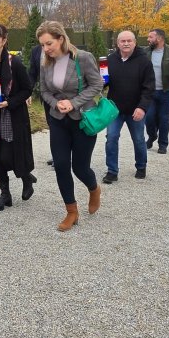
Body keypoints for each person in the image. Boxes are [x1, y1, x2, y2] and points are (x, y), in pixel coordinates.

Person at [37, 21, 104, 231]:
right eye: (42, 45)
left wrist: (73, 102)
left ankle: (94, 189)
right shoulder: (45, 62)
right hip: (58, 120)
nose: (46, 49)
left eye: (49, 43)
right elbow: (44, 91)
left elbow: (97, 84)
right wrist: (55, 103)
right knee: (61, 164)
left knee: (80, 167)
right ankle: (71, 211)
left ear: (61, 39)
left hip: (82, 119)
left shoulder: (82, 58)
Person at [0, 24, 35, 211]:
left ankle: (26, 179)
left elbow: (27, 89)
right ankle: (5, 194)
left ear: (4, 40)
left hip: (14, 115)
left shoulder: (14, 63)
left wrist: (9, 102)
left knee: (15, 154)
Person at [104, 30, 155, 182]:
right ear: (117, 43)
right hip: (115, 109)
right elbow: (105, 82)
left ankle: (141, 166)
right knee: (111, 138)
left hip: (136, 109)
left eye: (129, 41)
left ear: (134, 42)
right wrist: (101, 82)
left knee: (138, 139)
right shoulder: (110, 60)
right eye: (122, 41)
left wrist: (142, 107)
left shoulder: (144, 61)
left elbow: (149, 87)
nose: (126, 43)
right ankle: (112, 171)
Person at [144, 28, 169, 154]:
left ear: (159, 38)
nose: (148, 39)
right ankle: (152, 136)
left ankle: (163, 144)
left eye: (151, 37)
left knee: (164, 119)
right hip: (150, 92)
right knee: (149, 118)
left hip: (166, 92)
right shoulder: (145, 52)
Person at [27, 42, 54, 166]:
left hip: (65, 97)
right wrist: (28, 92)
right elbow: (32, 73)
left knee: (63, 127)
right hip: (47, 96)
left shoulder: (60, 48)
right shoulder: (36, 51)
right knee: (53, 126)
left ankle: (66, 155)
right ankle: (57, 155)